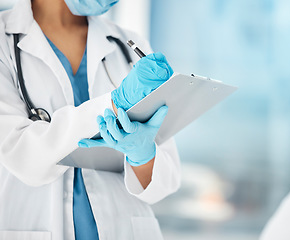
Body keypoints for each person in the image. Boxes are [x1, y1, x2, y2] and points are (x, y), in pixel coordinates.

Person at [0, 0, 181, 239]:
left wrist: (143, 156)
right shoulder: (4, 40)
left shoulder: (127, 43)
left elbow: (166, 180)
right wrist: (117, 104)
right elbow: (22, 155)